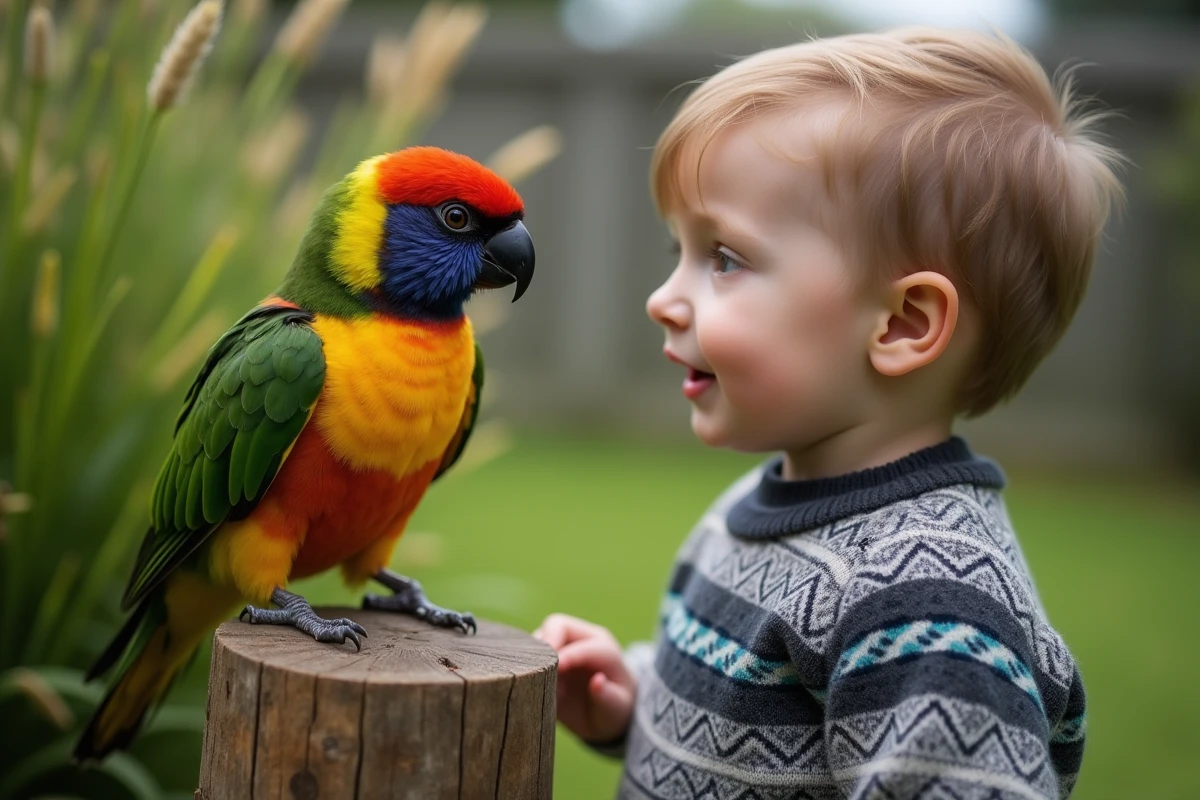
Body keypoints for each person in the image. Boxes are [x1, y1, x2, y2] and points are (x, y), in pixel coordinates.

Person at [535, 27, 1122, 800]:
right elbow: (753, 722)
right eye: (680, 249)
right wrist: (635, 701)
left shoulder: (930, 609)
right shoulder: (755, 504)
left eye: (725, 258)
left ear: (903, 324)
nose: (662, 298)